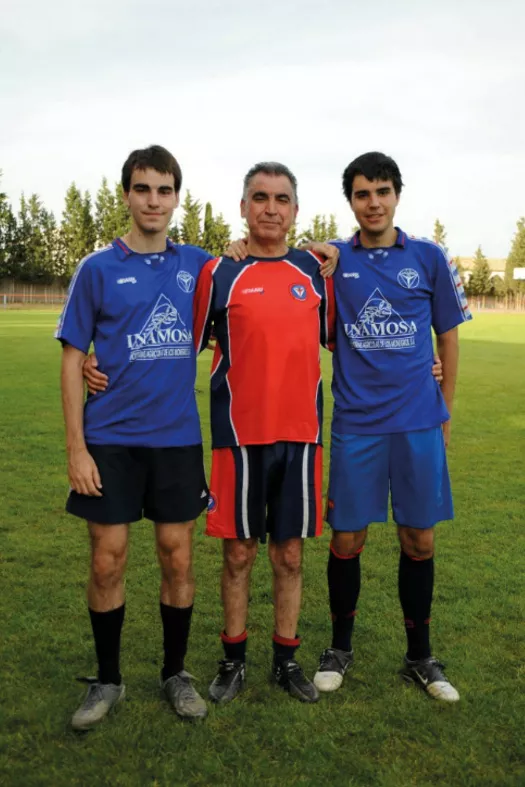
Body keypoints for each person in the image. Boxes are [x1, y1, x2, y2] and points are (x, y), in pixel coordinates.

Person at [56, 145, 212, 729]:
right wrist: (76, 447)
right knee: (107, 559)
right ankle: (108, 679)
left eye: (164, 190)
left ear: (176, 197)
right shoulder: (96, 268)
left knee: (177, 556)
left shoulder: (199, 264)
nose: (154, 200)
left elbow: (258, 268)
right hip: (110, 440)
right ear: (127, 194)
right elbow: (73, 359)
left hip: (175, 440)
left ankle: (176, 673)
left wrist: (325, 251)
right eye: (143, 189)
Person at [310, 152, 471, 701]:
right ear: (350, 201)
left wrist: (443, 408)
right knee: (347, 538)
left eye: (381, 191)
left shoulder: (427, 257)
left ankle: (421, 657)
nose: (372, 202)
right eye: (361, 193)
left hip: (417, 423)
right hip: (357, 424)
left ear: (397, 194)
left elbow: (448, 336)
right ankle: (339, 649)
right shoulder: (332, 261)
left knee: (419, 540)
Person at [192, 162, 335, 705]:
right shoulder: (220, 273)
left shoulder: (315, 271)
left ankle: (285, 659)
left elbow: (353, 340)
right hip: (238, 437)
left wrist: (428, 366)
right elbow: (182, 343)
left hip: (300, 438)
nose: (270, 208)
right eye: (260, 198)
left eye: (281, 199)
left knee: (291, 555)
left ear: (296, 210)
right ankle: (233, 661)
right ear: (244, 207)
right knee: (238, 554)